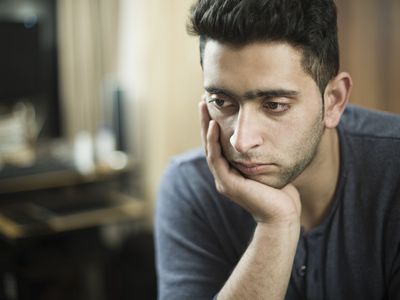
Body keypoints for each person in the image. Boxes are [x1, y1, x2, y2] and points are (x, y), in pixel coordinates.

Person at [155, 0, 400, 299]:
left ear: (334, 100)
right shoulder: (190, 188)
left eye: (274, 105)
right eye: (221, 101)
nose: (241, 141)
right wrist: (276, 226)